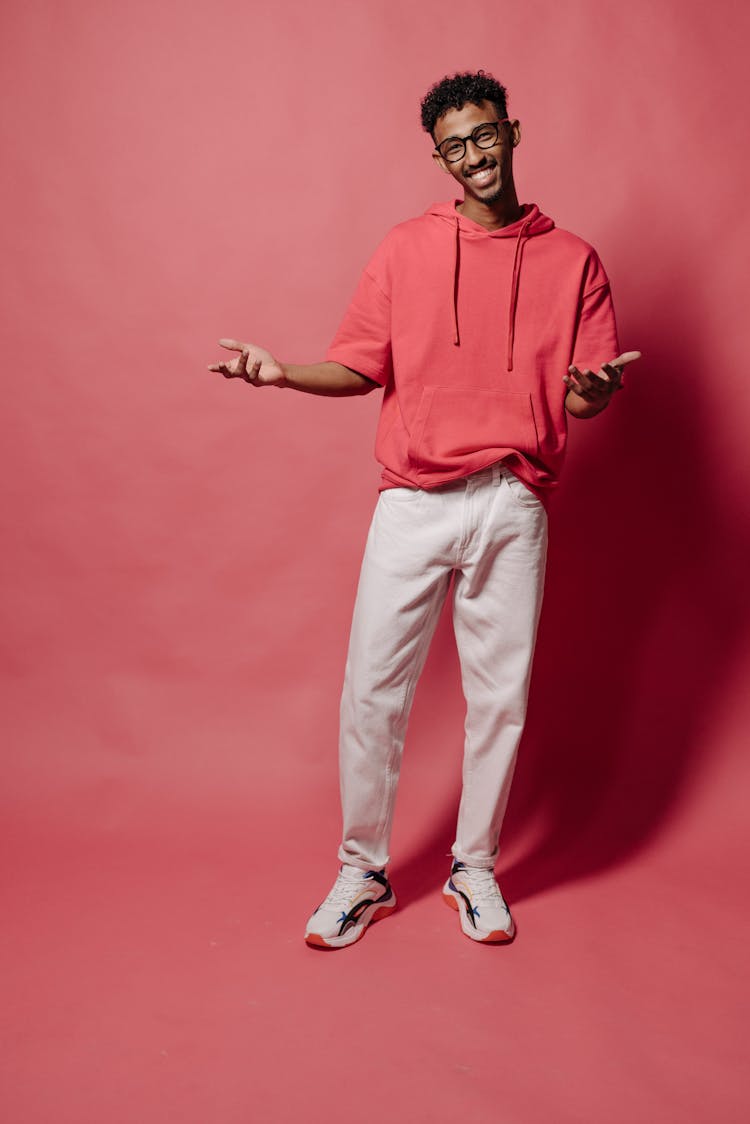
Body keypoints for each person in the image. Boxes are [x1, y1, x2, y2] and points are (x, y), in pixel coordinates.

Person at [209, 70, 640, 950]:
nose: (473, 157)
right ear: (439, 157)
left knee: (500, 700)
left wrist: (591, 394)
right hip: (412, 500)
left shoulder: (575, 260)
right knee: (372, 692)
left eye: (484, 137)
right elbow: (362, 366)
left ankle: (472, 867)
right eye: (454, 147)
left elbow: (588, 394)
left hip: (513, 502)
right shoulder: (406, 249)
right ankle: (361, 872)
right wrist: (283, 371)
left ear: (512, 134)